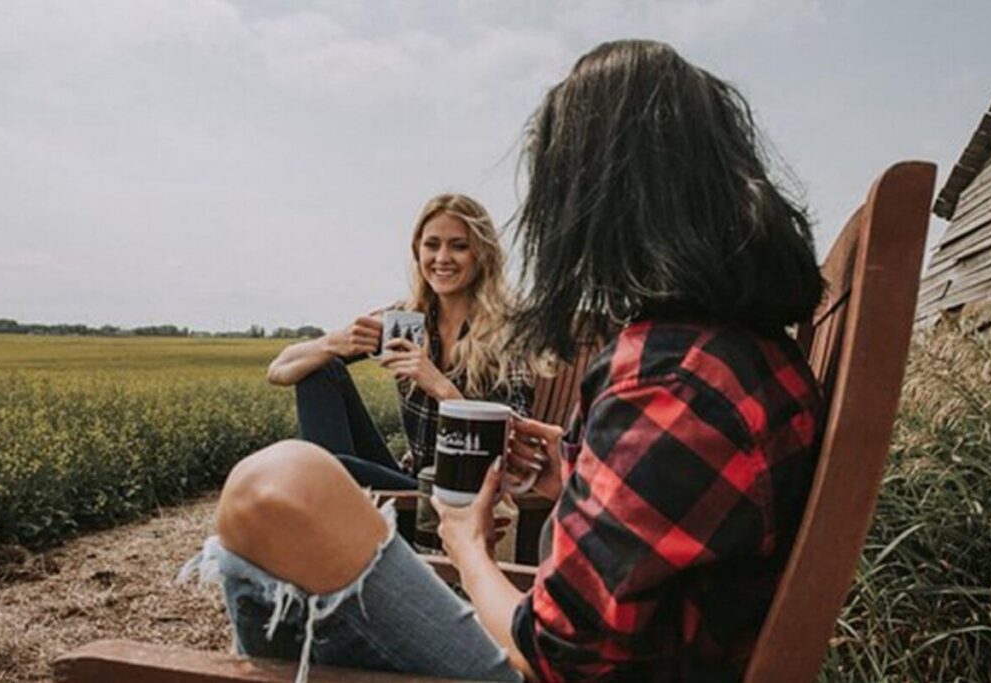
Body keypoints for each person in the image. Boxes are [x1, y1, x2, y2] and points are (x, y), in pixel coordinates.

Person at [181, 40, 825, 682]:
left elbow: (557, 655)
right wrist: (573, 468)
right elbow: (666, 510)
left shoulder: (668, 381)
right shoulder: (727, 354)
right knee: (293, 478)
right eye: (430, 245)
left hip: (537, 646)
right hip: (621, 642)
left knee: (275, 489)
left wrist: (465, 548)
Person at [263, 193, 533, 490]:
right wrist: (334, 344)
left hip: (459, 496)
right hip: (411, 483)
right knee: (319, 369)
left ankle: (325, 505)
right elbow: (279, 370)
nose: (442, 258)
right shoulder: (405, 321)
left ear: (482, 255)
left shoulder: (507, 332)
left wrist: (440, 386)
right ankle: (327, 499)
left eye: (459, 246)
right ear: (417, 251)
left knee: (326, 470)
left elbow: (517, 448)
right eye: (432, 245)